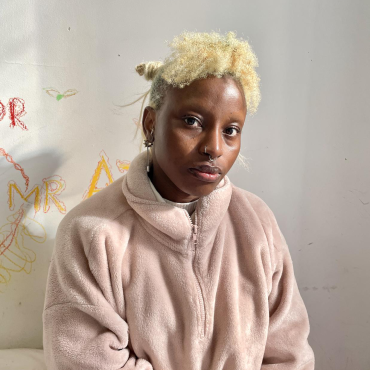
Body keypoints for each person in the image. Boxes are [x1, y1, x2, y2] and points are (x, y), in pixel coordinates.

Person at [42, 31, 315, 369]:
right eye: (192, 121)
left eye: (231, 130)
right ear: (151, 124)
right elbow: (82, 357)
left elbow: (289, 353)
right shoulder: (90, 232)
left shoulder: (257, 223)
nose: (214, 147)